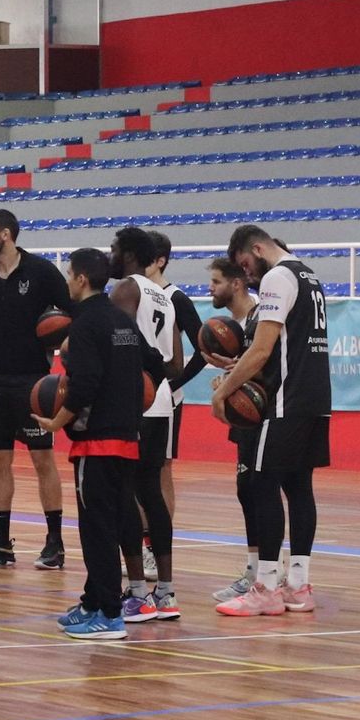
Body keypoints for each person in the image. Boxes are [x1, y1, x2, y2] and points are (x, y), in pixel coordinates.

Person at [33, 248, 165, 641]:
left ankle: (109, 614)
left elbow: (85, 384)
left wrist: (56, 421)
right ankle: (93, 601)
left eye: (69, 274)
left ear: (81, 279)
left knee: (97, 530)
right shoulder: (121, 319)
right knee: (111, 523)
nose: (67, 280)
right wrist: (131, 400)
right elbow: (156, 364)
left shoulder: (85, 325)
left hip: (97, 443)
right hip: (127, 438)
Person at [211, 226, 330, 617]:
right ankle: (298, 586)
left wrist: (224, 390)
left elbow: (263, 350)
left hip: (285, 400)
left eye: (246, 263)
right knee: (299, 487)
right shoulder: (308, 274)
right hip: (316, 397)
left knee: (262, 485)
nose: (247, 273)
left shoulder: (278, 277)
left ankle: (265, 588)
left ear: (258, 249)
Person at [0, 209, 70, 569]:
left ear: (6, 234)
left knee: (42, 459)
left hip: (33, 383)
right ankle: (0, 541)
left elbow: (71, 316)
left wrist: (63, 350)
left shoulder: (41, 272)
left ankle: (55, 542)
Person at [108, 226, 185, 621]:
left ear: (129, 255)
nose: (110, 255)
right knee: (152, 495)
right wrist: (156, 376)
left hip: (133, 402)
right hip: (161, 402)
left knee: (124, 495)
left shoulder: (126, 289)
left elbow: (121, 340)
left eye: (114, 249)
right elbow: (177, 365)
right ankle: (166, 593)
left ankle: (138, 593)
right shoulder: (164, 297)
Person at [143, 229, 205, 580]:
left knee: (161, 470)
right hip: (135, 395)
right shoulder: (133, 292)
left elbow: (204, 349)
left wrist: (174, 384)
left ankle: (157, 547)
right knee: (134, 472)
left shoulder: (176, 297)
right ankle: (141, 543)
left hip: (165, 398)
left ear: (160, 260)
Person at [204, 256, 262, 603]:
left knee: (260, 490)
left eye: (216, 282)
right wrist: (228, 378)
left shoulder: (260, 318)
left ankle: (267, 574)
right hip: (246, 419)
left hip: (267, 417)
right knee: (246, 490)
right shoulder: (230, 327)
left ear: (236, 284)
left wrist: (231, 384)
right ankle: (258, 571)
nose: (210, 288)